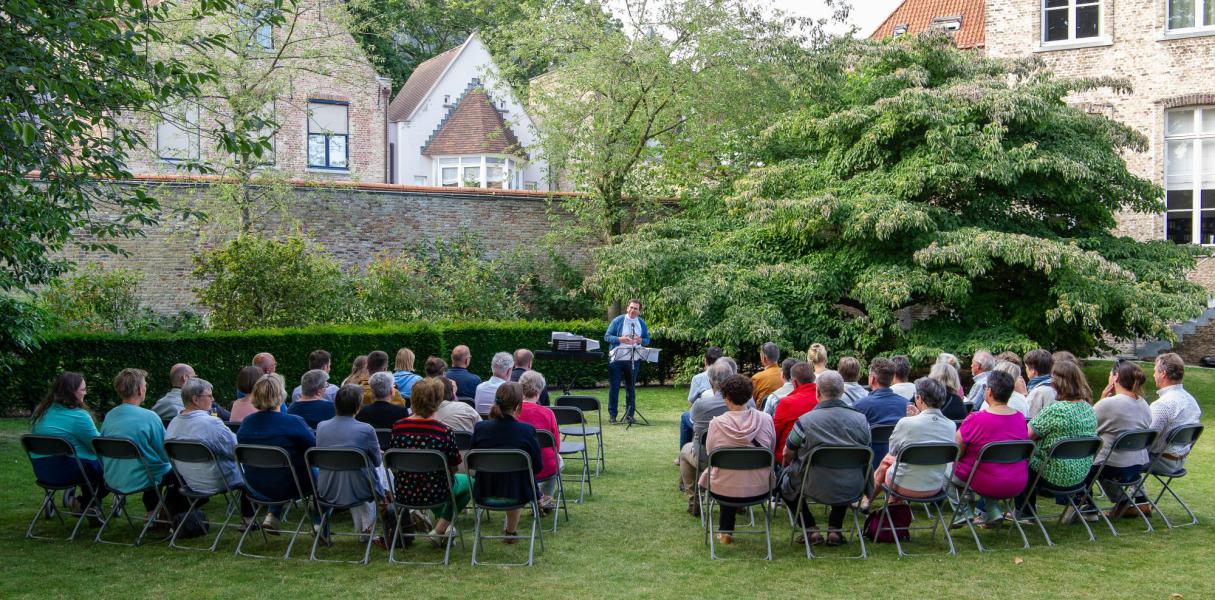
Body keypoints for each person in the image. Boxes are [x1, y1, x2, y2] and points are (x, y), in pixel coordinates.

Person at [779, 371, 871, 546]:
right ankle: (834, 530)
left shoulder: (804, 422)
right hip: (853, 483)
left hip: (813, 483)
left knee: (785, 482)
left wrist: (792, 463)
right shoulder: (862, 420)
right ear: (842, 392)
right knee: (843, 468)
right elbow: (867, 449)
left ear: (817, 392)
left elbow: (787, 453)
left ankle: (810, 529)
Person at [164, 377, 256, 529]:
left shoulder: (174, 423)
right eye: (209, 395)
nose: (213, 399)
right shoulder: (211, 424)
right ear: (195, 399)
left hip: (190, 480)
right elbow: (236, 450)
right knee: (251, 466)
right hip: (217, 479)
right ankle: (248, 519)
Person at [390, 378, 471, 543]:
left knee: (445, 481)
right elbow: (454, 468)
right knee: (470, 483)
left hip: (405, 490)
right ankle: (441, 528)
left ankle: (440, 527)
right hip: (437, 491)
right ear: (438, 400)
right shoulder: (443, 431)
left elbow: (392, 463)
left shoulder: (398, 427)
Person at [1015, 359, 1097, 522]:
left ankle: (1025, 511)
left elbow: (1026, 436)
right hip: (1081, 474)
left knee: (1022, 458)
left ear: (1056, 382)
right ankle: (1083, 505)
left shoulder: (1056, 410)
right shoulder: (1088, 409)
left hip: (1053, 475)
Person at [99, 368, 187, 519]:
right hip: (143, 477)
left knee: (150, 462)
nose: (145, 388)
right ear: (140, 390)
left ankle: (152, 510)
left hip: (113, 477)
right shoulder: (150, 417)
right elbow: (165, 454)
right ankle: (166, 512)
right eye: (145, 385)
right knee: (181, 473)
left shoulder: (110, 415)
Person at [699, 375, 775, 545]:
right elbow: (770, 450)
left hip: (724, 488)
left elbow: (712, 454)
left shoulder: (716, 424)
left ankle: (725, 531)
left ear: (726, 397)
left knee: (727, 472)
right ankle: (725, 530)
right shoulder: (766, 419)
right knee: (732, 471)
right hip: (760, 487)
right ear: (749, 396)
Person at [236, 375, 317, 531]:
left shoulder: (247, 423)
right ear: (281, 395)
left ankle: (273, 514)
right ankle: (320, 522)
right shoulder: (293, 421)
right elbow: (314, 452)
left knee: (279, 468)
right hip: (292, 485)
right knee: (321, 472)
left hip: (256, 486)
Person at [950, 370, 1029, 527]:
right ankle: (992, 510)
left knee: (947, 470)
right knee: (992, 466)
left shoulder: (976, 419)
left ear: (990, 392)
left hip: (986, 481)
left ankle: (962, 512)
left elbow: (956, 450)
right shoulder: (1020, 418)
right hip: (1017, 481)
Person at [869, 378, 956, 510]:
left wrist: (911, 421)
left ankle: (873, 502)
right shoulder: (951, 425)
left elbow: (893, 450)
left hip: (904, 486)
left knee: (887, 461)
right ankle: (890, 508)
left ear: (919, 398)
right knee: (890, 462)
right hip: (936, 486)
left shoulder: (907, 423)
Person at [471, 382, 543, 541]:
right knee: (518, 476)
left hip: (485, 490)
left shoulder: (481, 428)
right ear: (518, 406)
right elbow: (537, 467)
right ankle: (511, 531)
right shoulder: (526, 430)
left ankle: (511, 531)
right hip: (518, 493)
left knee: (514, 476)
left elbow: (472, 461)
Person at [29, 372, 105, 517]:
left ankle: (88, 504)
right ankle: (86, 504)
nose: (85, 393)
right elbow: (98, 446)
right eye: (83, 389)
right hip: (70, 471)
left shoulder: (41, 411)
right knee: (107, 473)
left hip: (43, 471)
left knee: (88, 464)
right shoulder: (79, 416)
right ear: (71, 391)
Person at [315, 385, 384, 546]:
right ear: (358, 406)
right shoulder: (366, 429)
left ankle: (365, 529)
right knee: (376, 472)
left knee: (357, 472)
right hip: (360, 490)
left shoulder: (321, 427)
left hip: (327, 488)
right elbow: (377, 462)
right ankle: (368, 530)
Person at [678, 358, 743, 514]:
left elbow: (695, 426)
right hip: (741, 457)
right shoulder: (748, 403)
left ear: (710, 381)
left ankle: (694, 502)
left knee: (684, 452)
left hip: (709, 458)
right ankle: (739, 503)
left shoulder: (701, 405)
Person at [1090, 360, 1152, 518]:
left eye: (1110, 374)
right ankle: (1137, 500)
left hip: (1112, 467)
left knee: (1085, 461)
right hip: (1137, 467)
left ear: (1115, 377)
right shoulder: (1143, 403)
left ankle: (1087, 508)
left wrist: (1102, 399)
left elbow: (1086, 426)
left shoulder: (1109, 404)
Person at [1147, 352, 1202, 475]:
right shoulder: (1191, 401)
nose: (1153, 374)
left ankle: (1127, 494)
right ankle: (1138, 492)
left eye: (1155, 371)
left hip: (1160, 461)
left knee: (1111, 461)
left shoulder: (1163, 405)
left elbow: (1147, 441)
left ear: (1163, 374)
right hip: (1179, 461)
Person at [517, 371, 561, 508]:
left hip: (514, 465)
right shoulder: (548, 413)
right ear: (540, 390)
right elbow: (556, 446)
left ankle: (536, 497)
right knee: (557, 460)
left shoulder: (512, 412)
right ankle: (545, 498)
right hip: (543, 465)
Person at [604, 298, 650, 423]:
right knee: (614, 387)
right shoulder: (618, 320)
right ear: (627, 308)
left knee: (631, 388)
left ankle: (630, 414)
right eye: (631, 307)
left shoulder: (641, 323)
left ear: (639, 311)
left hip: (634, 359)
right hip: (617, 359)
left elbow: (647, 340)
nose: (633, 310)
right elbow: (607, 337)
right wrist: (620, 339)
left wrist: (641, 340)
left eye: (636, 308)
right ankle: (612, 415)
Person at [853, 357, 906, 466]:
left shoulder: (858, 406)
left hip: (868, 465)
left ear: (872, 379)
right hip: (897, 465)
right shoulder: (908, 405)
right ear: (892, 380)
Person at [773, 362, 817, 464]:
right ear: (814, 378)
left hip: (791, 462)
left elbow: (774, 434)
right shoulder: (823, 399)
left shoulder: (787, 403)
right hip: (818, 462)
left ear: (794, 382)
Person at [681, 346, 724, 449]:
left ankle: (682, 454)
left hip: (706, 421)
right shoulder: (731, 376)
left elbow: (691, 404)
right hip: (724, 419)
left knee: (685, 416)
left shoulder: (699, 378)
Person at [474, 352, 514, 416]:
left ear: (492, 367)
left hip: (480, 425)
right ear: (509, 371)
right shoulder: (511, 391)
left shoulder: (479, 388)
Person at [1023, 349, 1057, 419]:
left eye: (1026, 367)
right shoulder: (1057, 384)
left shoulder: (1038, 392)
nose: (1025, 370)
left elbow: (1029, 420)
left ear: (1032, 371)